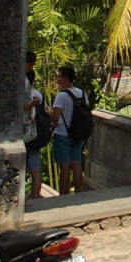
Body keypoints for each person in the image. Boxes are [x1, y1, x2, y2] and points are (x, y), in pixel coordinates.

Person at [51, 65, 86, 195]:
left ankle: (64, 195)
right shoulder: (82, 93)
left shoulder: (61, 96)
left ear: (66, 78)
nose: (57, 79)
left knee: (64, 166)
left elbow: (56, 116)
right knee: (76, 164)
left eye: (59, 76)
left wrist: (52, 125)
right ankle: (78, 192)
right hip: (77, 133)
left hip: (62, 134)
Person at [25, 69, 45, 200]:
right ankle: (36, 197)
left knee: (18, 170)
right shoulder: (38, 94)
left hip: (24, 134)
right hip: (35, 136)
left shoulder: (23, 94)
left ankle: (20, 199)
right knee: (36, 170)